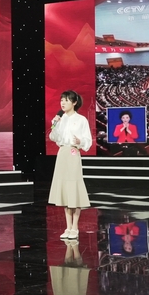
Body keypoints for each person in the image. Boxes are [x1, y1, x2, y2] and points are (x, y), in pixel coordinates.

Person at [49, 90, 93, 240]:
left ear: (74, 103)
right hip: (62, 153)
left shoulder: (81, 120)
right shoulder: (60, 120)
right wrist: (54, 125)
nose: (63, 103)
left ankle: (75, 227)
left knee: (74, 188)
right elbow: (53, 137)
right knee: (65, 190)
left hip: (74, 153)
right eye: (62, 100)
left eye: (66, 100)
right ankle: (68, 227)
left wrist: (80, 142)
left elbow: (88, 140)